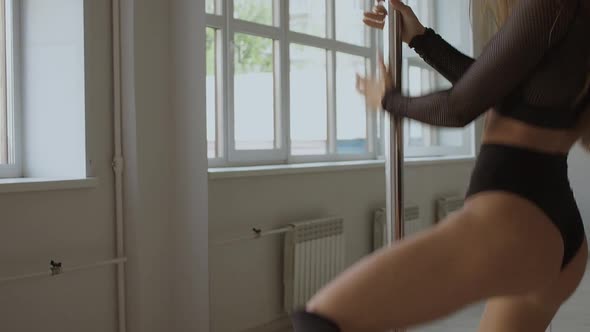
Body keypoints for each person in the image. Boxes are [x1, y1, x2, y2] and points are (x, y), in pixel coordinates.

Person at [291, 0, 590, 331]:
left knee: (322, 319)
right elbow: (497, 84)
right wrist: (420, 38)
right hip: (558, 230)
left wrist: (388, 99)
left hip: (514, 217)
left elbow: (458, 108)